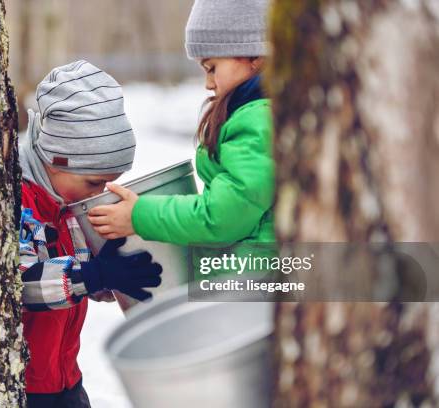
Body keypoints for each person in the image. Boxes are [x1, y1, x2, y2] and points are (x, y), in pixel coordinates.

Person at [87, 0, 275, 279]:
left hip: (255, 286)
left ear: (255, 56)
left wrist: (138, 216)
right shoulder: (257, 115)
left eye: (212, 68)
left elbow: (222, 218)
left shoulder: (258, 121)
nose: (208, 84)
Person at [18, 60, 162, 408]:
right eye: (93, 182)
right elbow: (23, 284)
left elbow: (79, 270)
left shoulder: (67, 203)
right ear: (57, 158)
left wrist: (106, 278)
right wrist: (91, 275)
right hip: (25, 386)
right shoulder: (22, 202)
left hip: (66, 378)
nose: (98, 192)